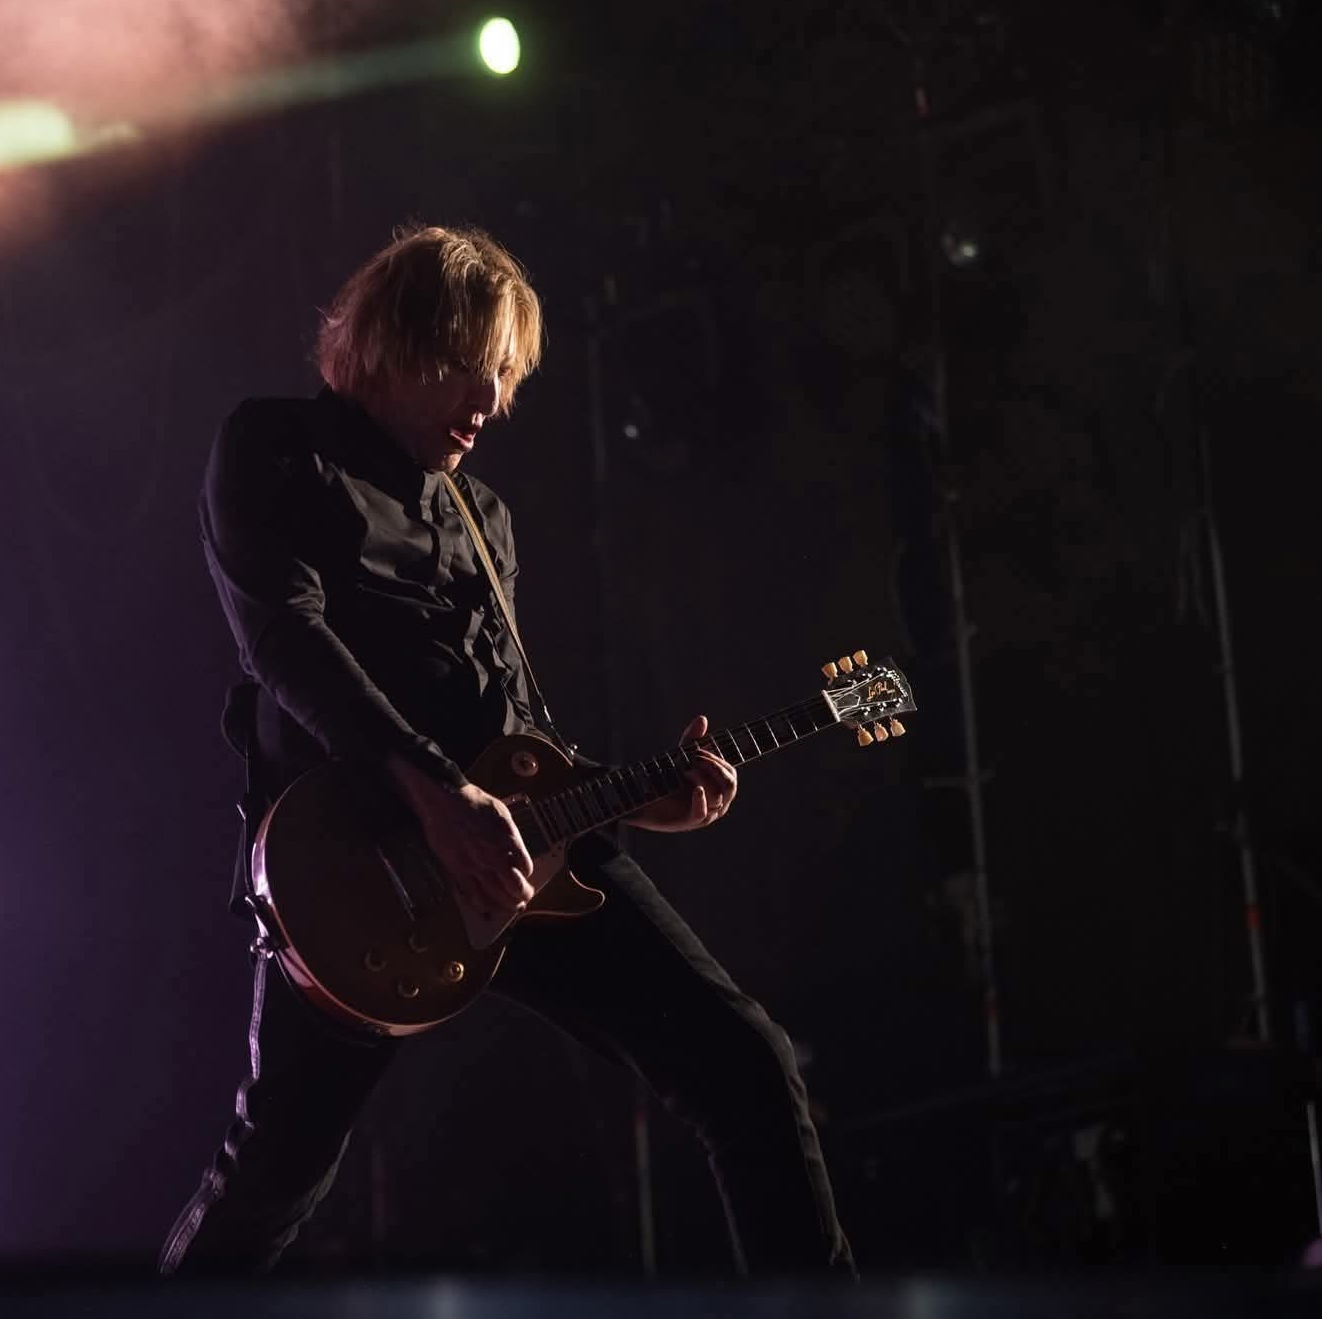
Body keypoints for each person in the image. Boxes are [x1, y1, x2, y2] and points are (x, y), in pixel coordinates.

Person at [160, 224, 854, 1276]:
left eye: (506, 375)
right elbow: (285, 641)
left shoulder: (483, 516)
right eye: (468, 366)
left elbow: (518, 734)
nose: (490, 399)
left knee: (744, 1062)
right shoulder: (275, 447)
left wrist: (642, 800)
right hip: (350, 869)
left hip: (511, 855)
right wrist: (434, 795)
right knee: (273, 1179)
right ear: (393, 343)